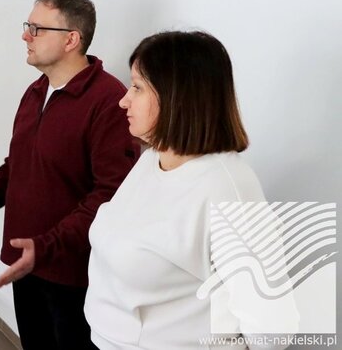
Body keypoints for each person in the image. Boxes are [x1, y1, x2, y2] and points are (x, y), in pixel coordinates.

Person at [0, 0, 139, 349]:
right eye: (27, 26)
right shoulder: (35, 91)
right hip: (28, 261)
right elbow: (19, 161)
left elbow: (110, 195)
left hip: (73, 274)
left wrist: (48, 246)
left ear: (71, 39)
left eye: (36, 28)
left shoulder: (108, 100)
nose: (25, 36)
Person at [84, 31, 299, 349]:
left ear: (177, 96)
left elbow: (272, 331)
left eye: (138, 87)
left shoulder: (228, 189)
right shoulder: (152, 161)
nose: (124, 100)